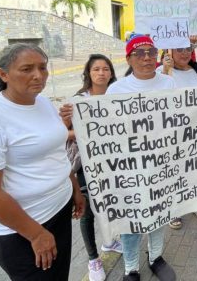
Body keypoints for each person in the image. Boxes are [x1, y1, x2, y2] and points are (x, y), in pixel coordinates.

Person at [0, 43, 85, 280]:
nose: (38, 75)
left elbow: (56, 151)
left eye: (42, 68)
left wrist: (74, 188)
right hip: (24, 230)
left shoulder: (43, 103)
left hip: (58, 212)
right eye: (27, 69)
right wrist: (36, 234)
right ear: (3, 74)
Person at [108, 35, 176, 281]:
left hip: (162, 163)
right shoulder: (116, 89)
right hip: (129, 167)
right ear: (129, 58)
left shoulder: (169, 83)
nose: (147, 57)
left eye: (151, 52)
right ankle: (131, 268)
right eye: (140, 53)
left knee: (159, 211)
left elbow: (183, 116)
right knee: (130, 220)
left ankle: (156, 257)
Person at [62, 54, 119, 281]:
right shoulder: (77, 101)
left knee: (110, 203)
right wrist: (85, 132)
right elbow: (62, 134)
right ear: (89, 73)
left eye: (106, 69)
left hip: (114, 163)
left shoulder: (120, 97)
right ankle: (93, 259)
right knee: (86, 211)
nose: (101, 73)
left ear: (112, 73)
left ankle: (110, 242)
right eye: (96, 69)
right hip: (87, 166)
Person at [156, 45, 197, 229]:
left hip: (195, 132)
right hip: (171, 134)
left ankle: (195, 204)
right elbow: (156, 97)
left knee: (194, 170)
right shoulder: (162, 72)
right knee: (173, 173)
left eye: (188, 49)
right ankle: (173, 210)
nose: (185, 53)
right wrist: (164, 69)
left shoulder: (196, 71)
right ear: (169, 51)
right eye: (180, 49)